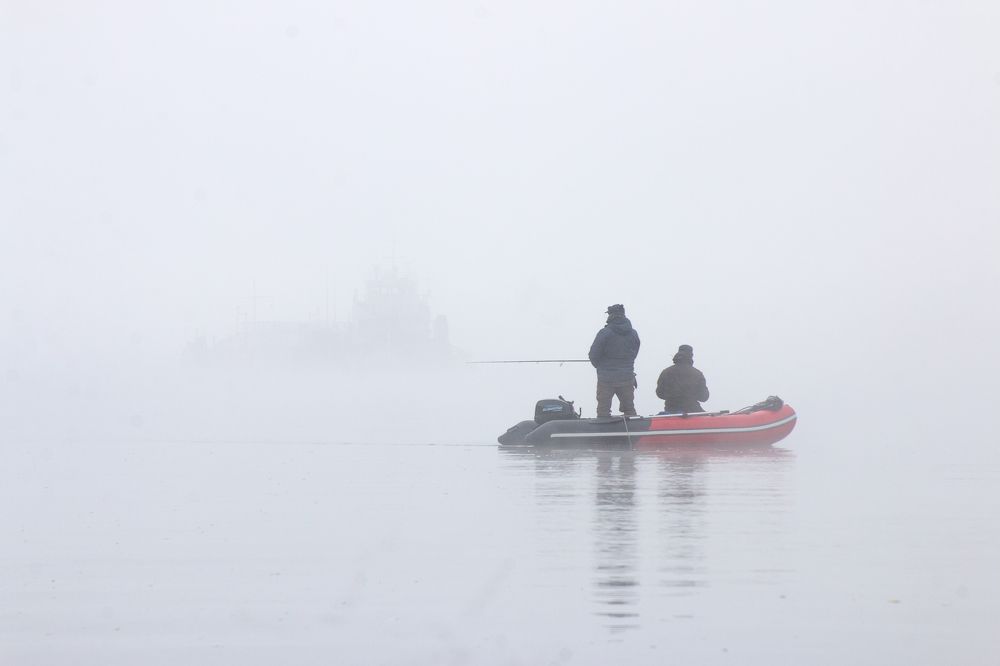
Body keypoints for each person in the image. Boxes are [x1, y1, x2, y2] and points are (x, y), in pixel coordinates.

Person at [588, 304, 641, 418]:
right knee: (629, 410)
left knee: (603, 411)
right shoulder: (633, 333)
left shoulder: (604, 333)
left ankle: (603, 428)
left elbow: (593, 355)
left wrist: (602, 367)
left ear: (610, 315)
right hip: (627, 377)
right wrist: (626, 366)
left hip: (606, 379)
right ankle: (632, 428)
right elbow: (634, 353)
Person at [655, 344, 710, 414]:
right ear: (691, 356)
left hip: (671, 410)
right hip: (693, 411)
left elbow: (659, 393)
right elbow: (704, 397)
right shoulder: (697, 374)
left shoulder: (666, 372)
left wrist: (673, 396)